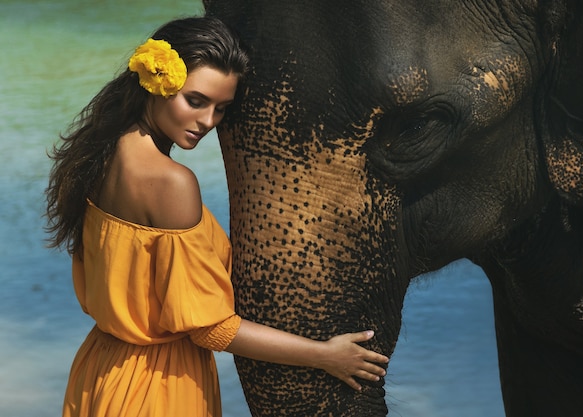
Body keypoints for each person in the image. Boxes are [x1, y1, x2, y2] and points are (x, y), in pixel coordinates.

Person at [44, 15, 388, 417]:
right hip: (160, 389)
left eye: (221, 109)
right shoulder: (172, 182)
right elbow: (211, 328)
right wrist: (325, 356)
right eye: (196, 100)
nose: (207, 122)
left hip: (100, 371)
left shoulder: (97, 153)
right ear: (156, 83)